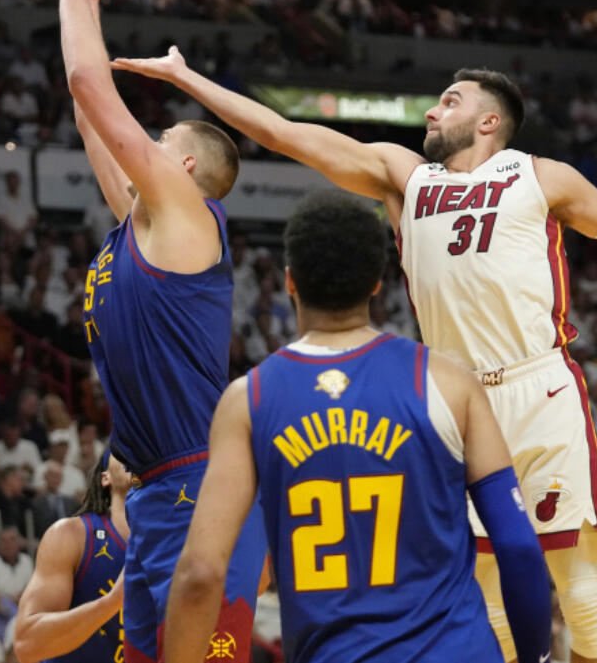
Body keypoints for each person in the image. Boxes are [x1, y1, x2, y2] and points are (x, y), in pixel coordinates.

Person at [112, 46, 597, 663]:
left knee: (580, 594)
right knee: (482, 598)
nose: (430, 112)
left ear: (489, 120)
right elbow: (281, 131)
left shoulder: (541, 177)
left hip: (538, 387)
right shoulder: (404, 177)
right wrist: (189, 78)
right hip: (456, 405)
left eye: (447, 101)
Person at [164, 193, 550, 663]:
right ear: (375, 284)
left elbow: (201, 573)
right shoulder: (447, 382)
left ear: (289, 283)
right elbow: (517, 544)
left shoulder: (248, 401)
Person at [41, 0, 266, 663]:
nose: (150, 144)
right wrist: (88, 5)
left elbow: (88, 78)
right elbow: (86, 107)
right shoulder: (141, 224)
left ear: (189, 170)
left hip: (202, 486)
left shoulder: (188, 215)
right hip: (159, 490)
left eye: (163, 141)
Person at [15, 454, 131, 663]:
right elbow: (28, 644)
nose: (137, 452)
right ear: (105, 477)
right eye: (124, 448)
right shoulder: (71, 535)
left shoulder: (178, 545)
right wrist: (112, 602)